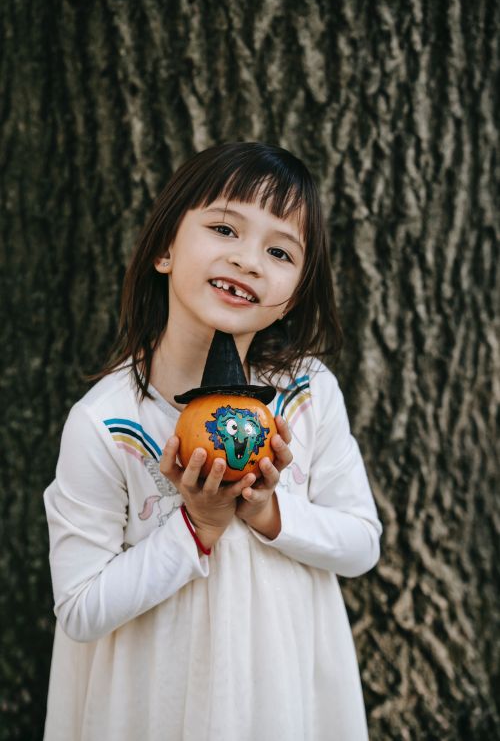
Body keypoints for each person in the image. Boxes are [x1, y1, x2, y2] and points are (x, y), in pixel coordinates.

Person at [43, 142, 383, 741]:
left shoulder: (307, 396)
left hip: (280, 688)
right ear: (165, 249)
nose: (249, 259)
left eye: (279, 250)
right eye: (225, 228)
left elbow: (360, 544)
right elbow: (79, 607)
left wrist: (269, 509)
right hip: (157, 698)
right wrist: (195, 525)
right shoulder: (107, 422)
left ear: (294, 297)